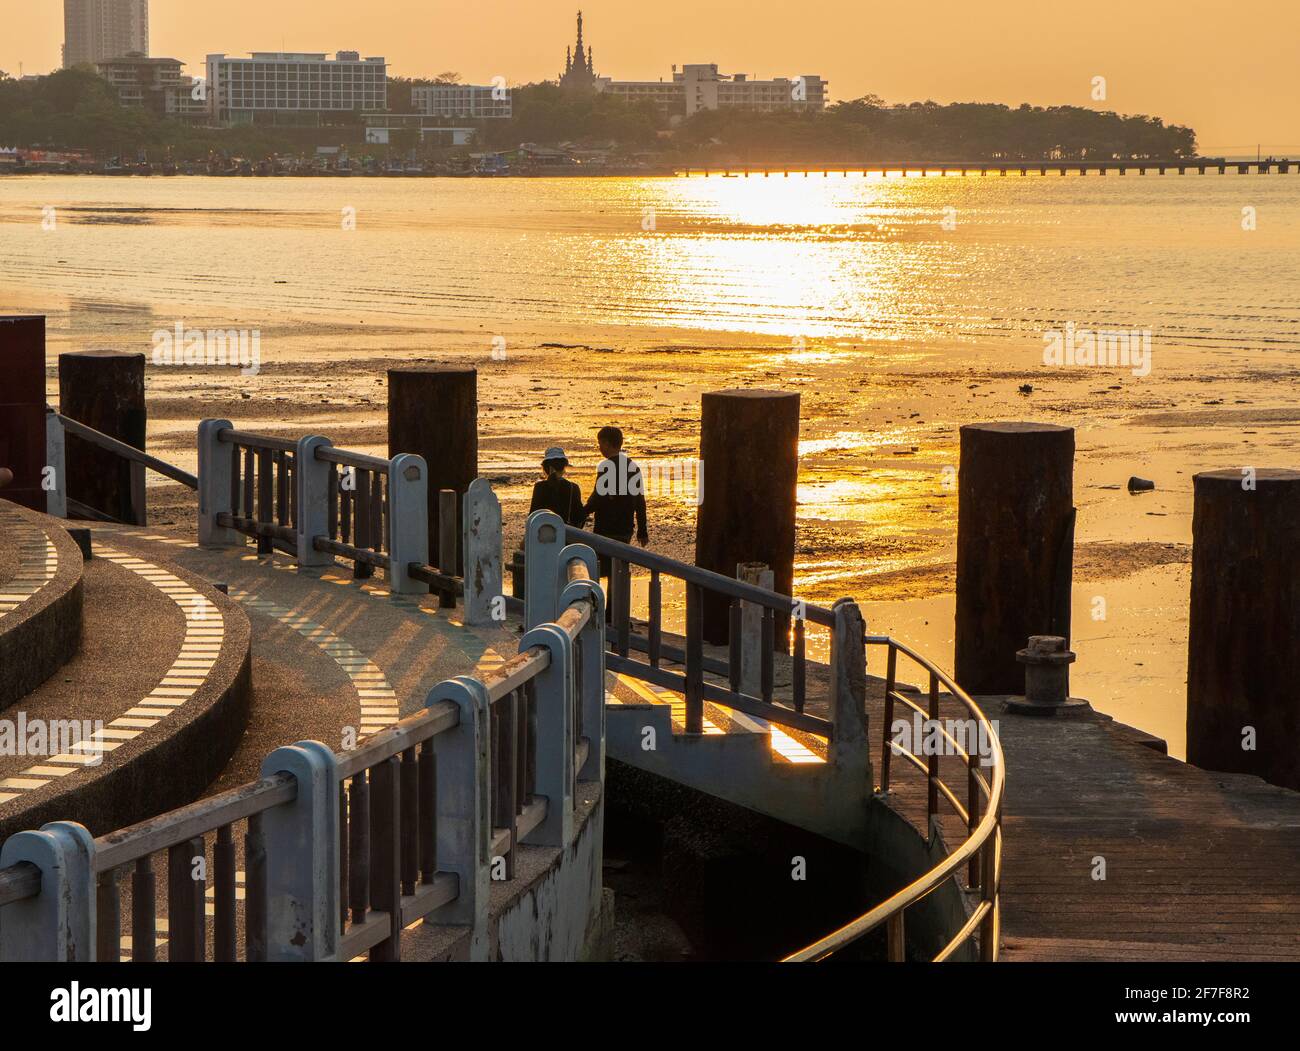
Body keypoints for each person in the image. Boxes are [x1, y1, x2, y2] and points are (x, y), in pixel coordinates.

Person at [582, 426, 649, 551]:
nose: (600, 448)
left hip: (606, 527)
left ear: (607, 444)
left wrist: (582, 512)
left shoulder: (606, 467)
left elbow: (598, 497)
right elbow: (640, 502)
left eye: (600, 444)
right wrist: (642, 531)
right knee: (621, 562)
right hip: (625, 527)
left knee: (605, 564)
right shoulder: (633, 467)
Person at [529, 446, 584, 525]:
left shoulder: (539, 487)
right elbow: (579, 517)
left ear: (545, 468)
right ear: (564, 467)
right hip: (567, 534)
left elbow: (533, 515)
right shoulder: (573, 487)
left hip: (544, 533)